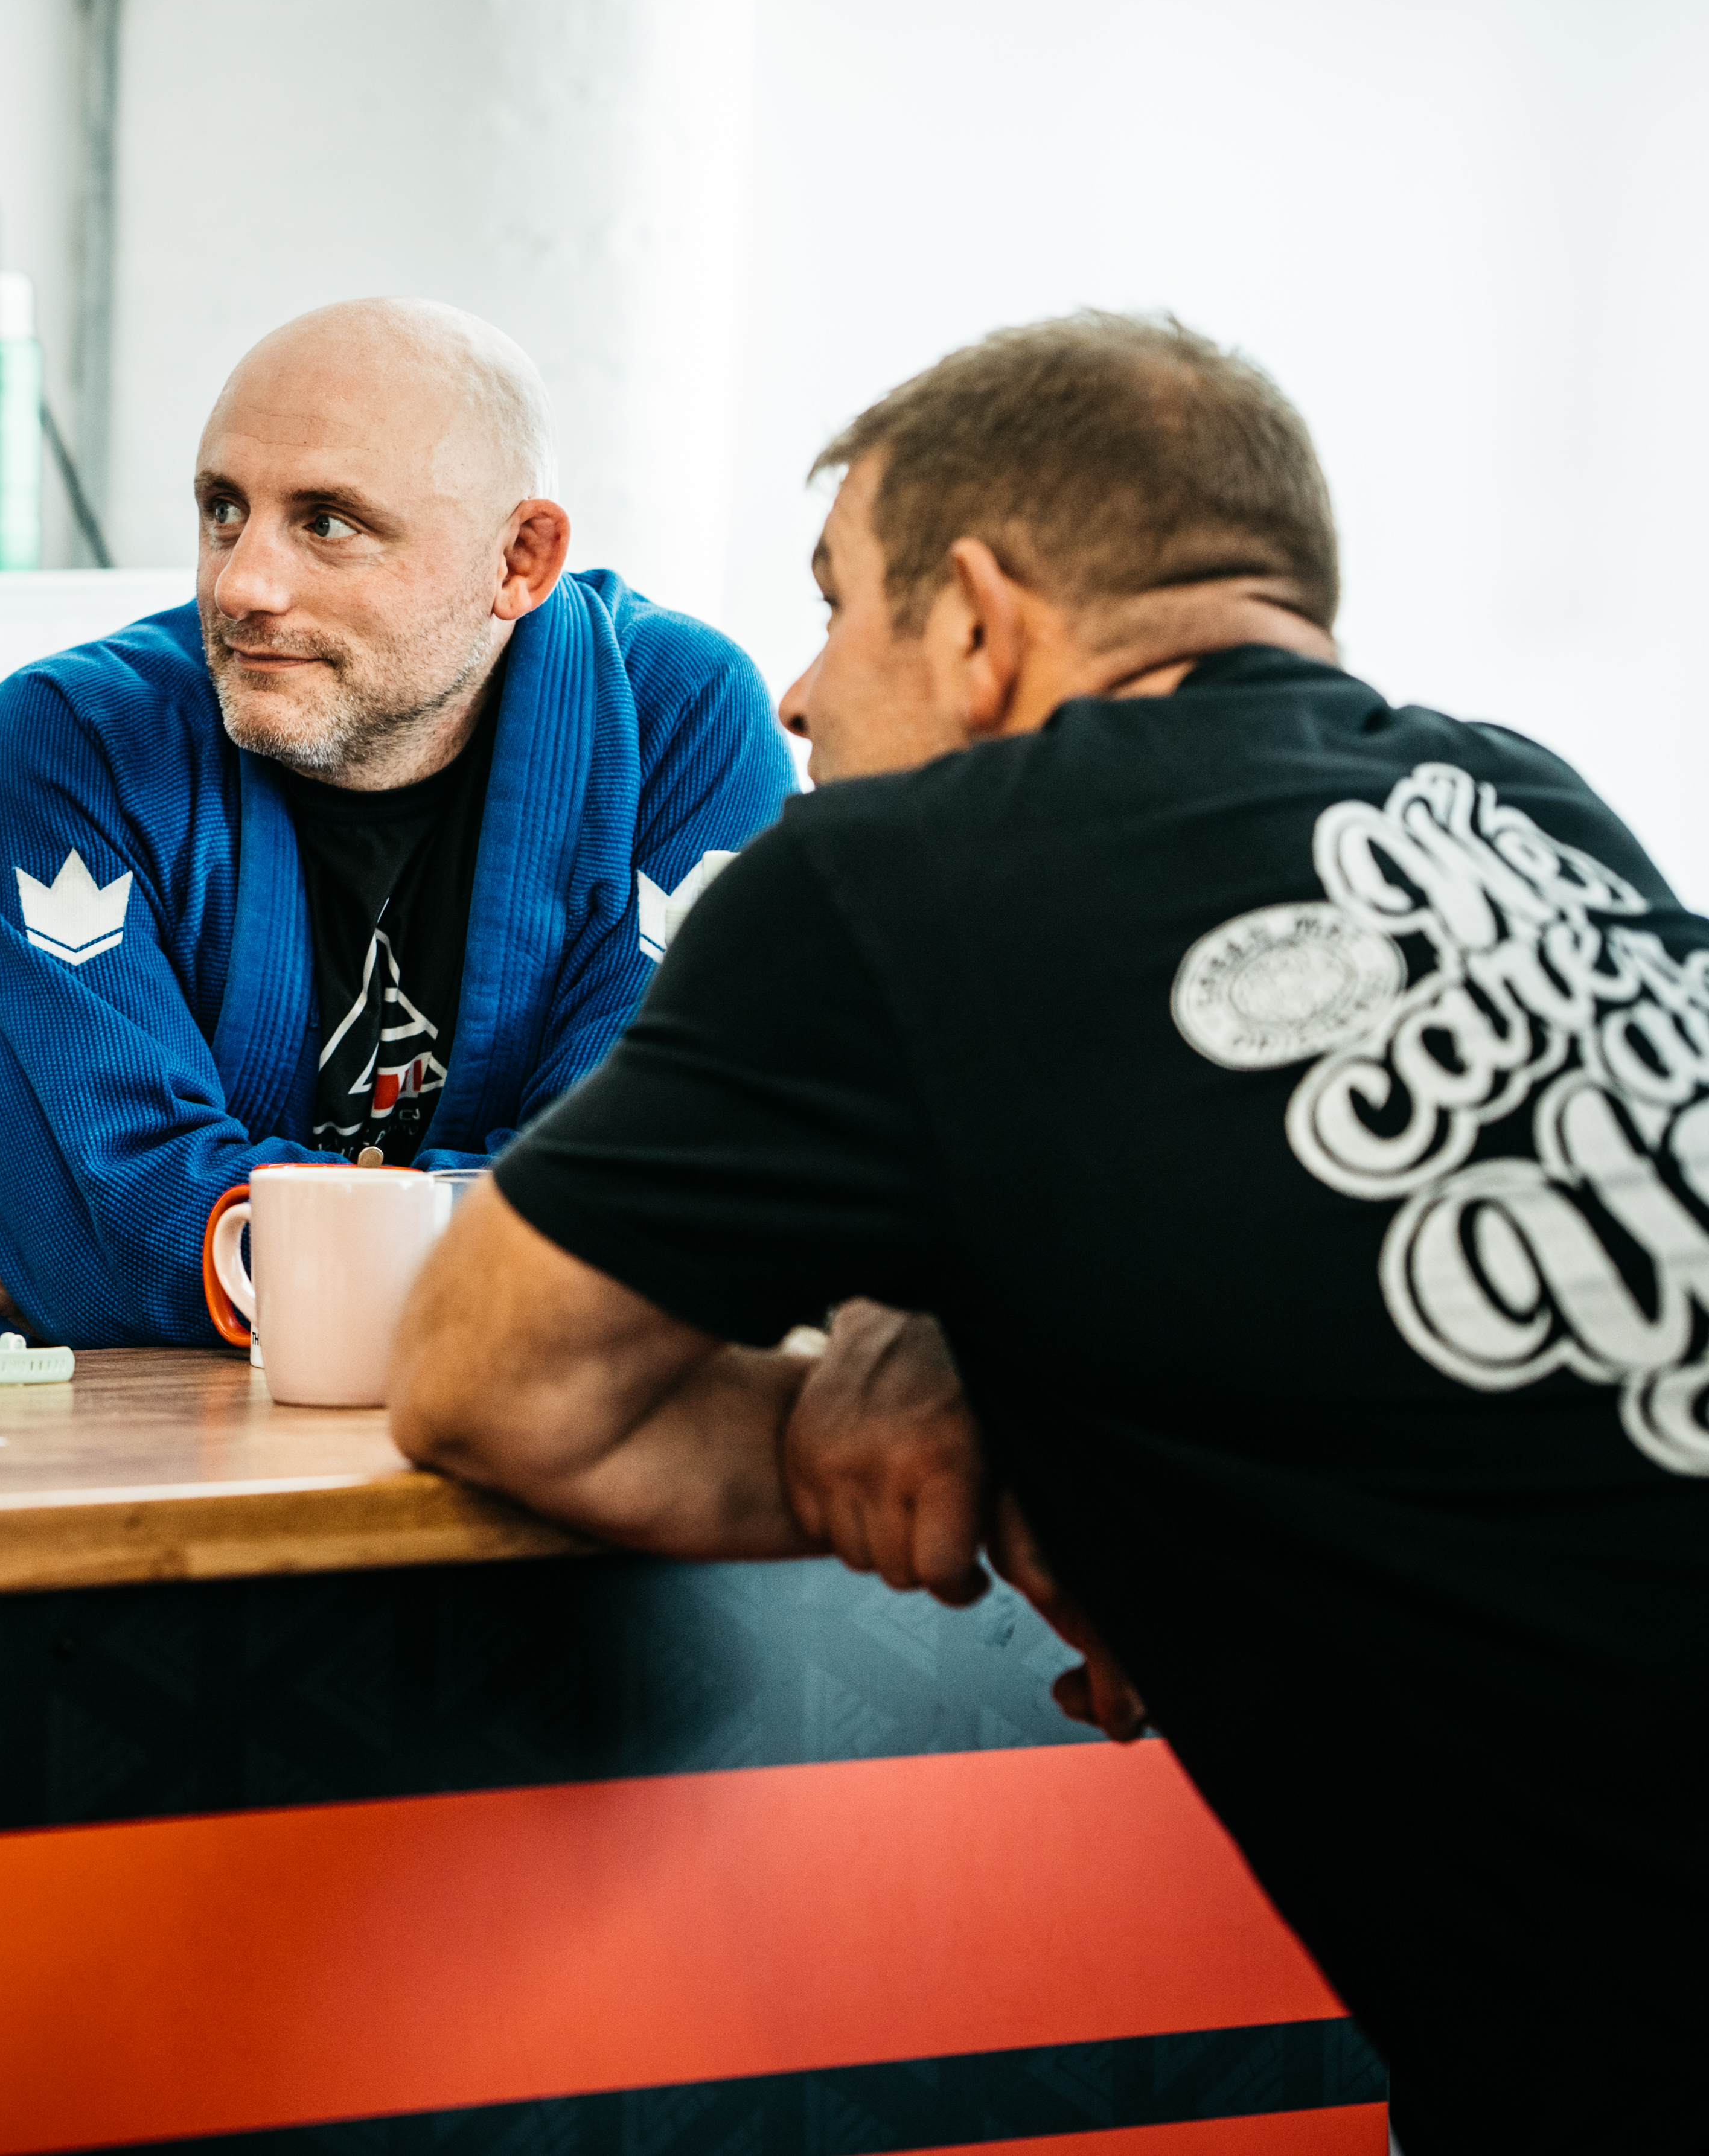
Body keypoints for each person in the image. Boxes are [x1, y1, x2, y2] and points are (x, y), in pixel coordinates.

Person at [388, 312, 1709, 2151]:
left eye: (838, 603)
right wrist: (1019, 1353)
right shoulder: (1532, 811)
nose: (793, 693)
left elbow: (484, 1375)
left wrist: (1012, 1423)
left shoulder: (900, 876)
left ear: (979, 622)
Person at [0, 298, 794, 1347]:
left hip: (511, 1446)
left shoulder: (681, 727)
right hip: (101, 1451)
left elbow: (672, 1206)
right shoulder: (70, 743)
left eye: (328, 524)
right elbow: (103, 1201)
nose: (243, 582)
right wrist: (83, 1232)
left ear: (520, 561)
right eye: (224, 509)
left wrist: (84, 1249)